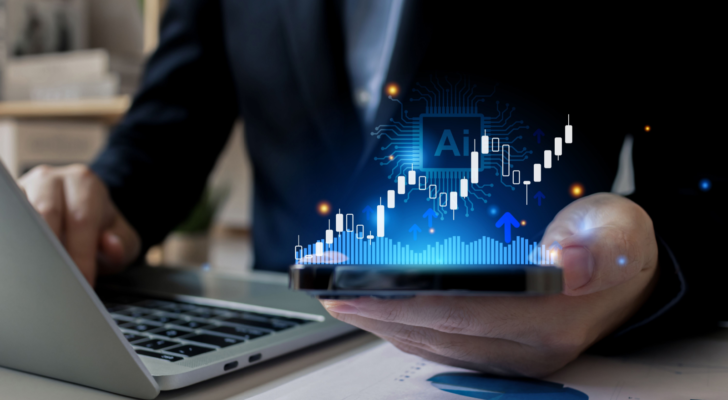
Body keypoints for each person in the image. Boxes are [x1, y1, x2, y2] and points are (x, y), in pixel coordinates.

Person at [17, 1, 724, 377]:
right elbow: (165, 132)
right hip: (266, 358)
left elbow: (709, 194)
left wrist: (644, 285)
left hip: (555, 365)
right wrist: (94, 202)